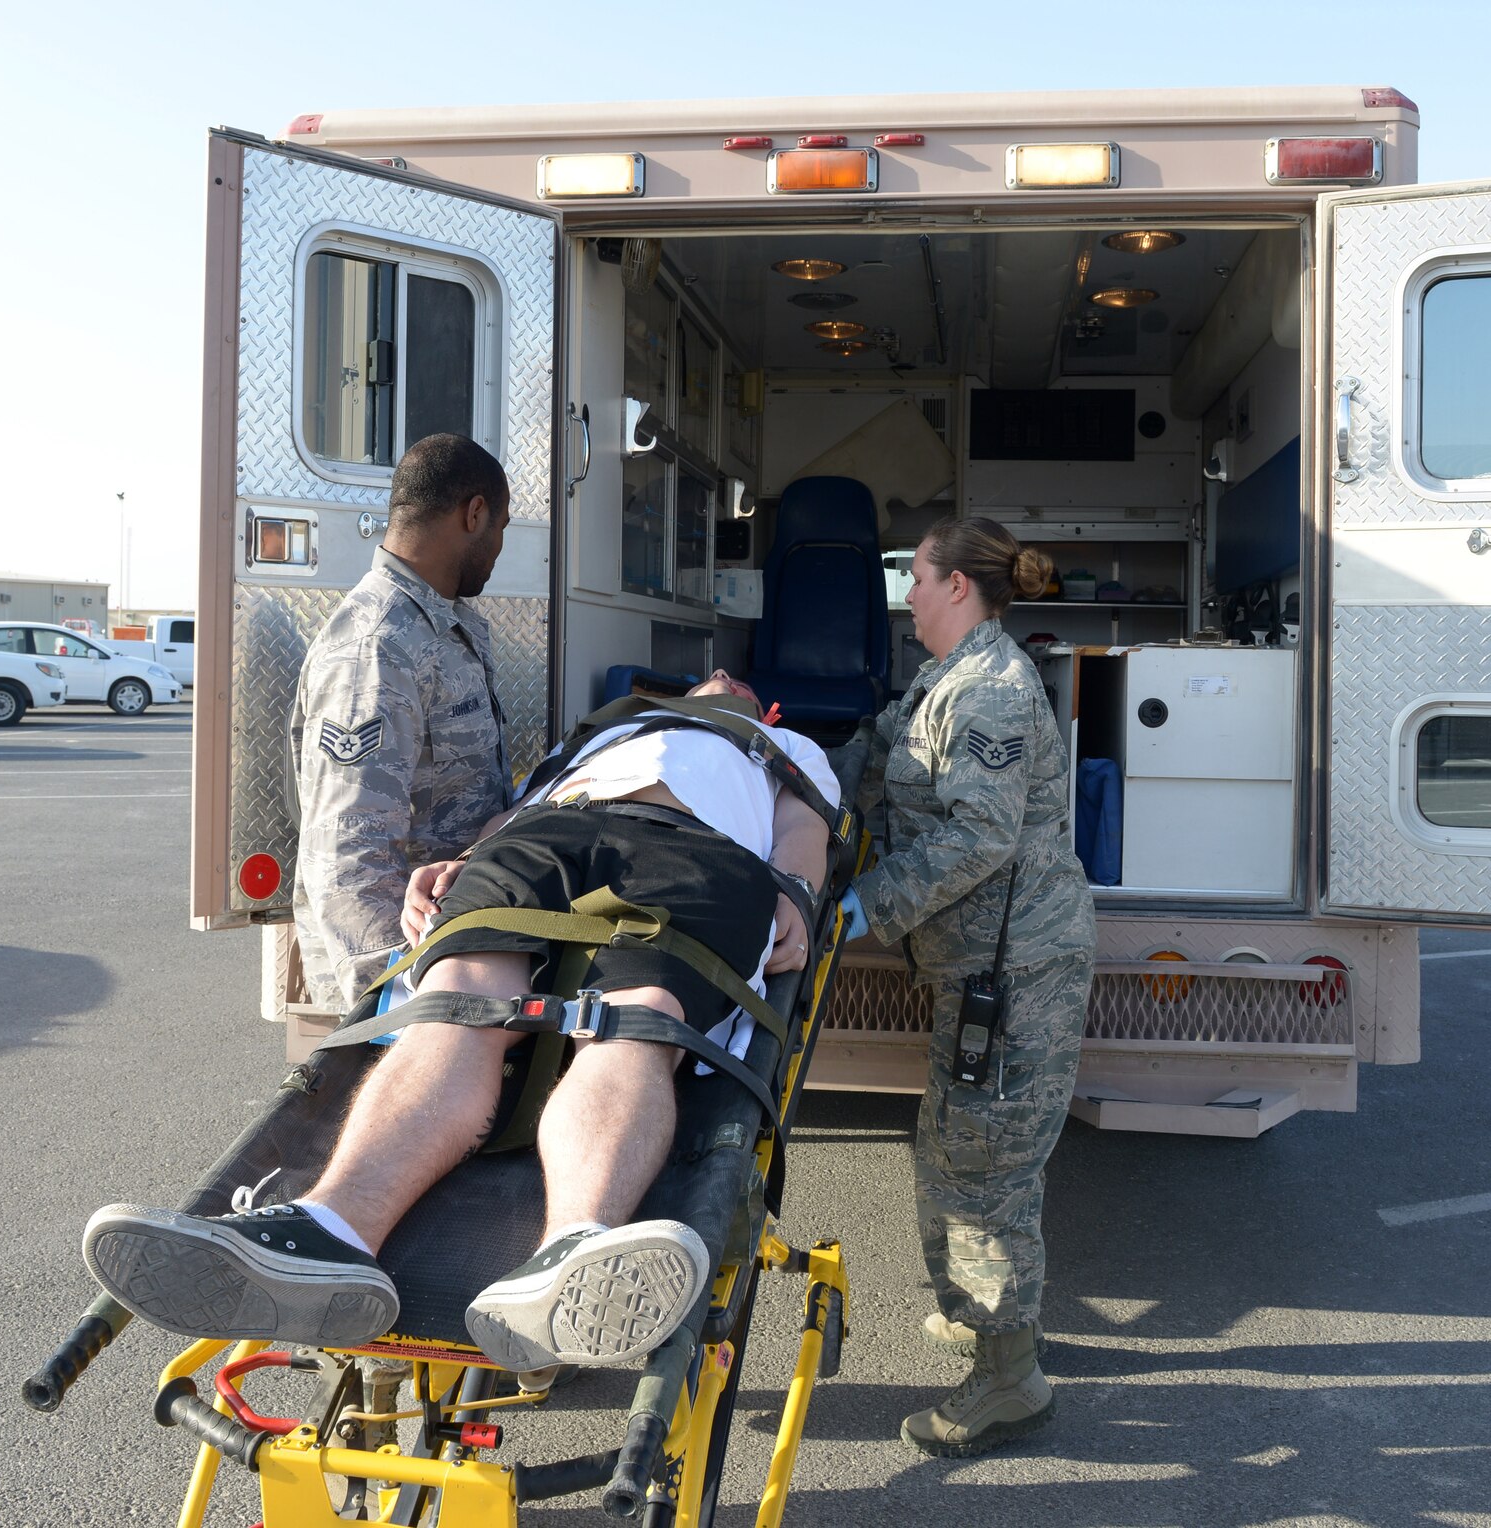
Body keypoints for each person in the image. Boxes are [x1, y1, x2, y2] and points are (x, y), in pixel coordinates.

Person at [83, 672, 838, 1373]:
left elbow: (804, 828)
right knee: (456, 1001)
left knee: (634, 1021)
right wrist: (465, 854)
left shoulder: (783, 749)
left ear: (759, 707)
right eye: (711, 680)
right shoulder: (611, 730)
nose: (722, 682)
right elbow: (529, 800)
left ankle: (572, 1253)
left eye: (736, 684)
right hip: (547, 835)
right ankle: (331, 1230)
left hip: (699, 855)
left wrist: (797, 892)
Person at [844, 517, 1096, 1457]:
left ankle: (1009, 1380)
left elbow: (977, 839)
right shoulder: (942, 678)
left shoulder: (988, 691)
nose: (906, 593)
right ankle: (983, 1320)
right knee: (955, 1148)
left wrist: (862, 906)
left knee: (984, 1172)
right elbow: (876, 751)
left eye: (917, 577)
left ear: (958, 587)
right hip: (980, 967)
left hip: (1017, 970)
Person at [289, 433, 514, 1011]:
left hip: (455, 954)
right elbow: (349, 858)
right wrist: (396, 1006)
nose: (498, 549)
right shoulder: (377, 647)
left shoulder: (440, 627)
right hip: (407, 981)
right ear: (475, 513)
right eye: (501, 528)